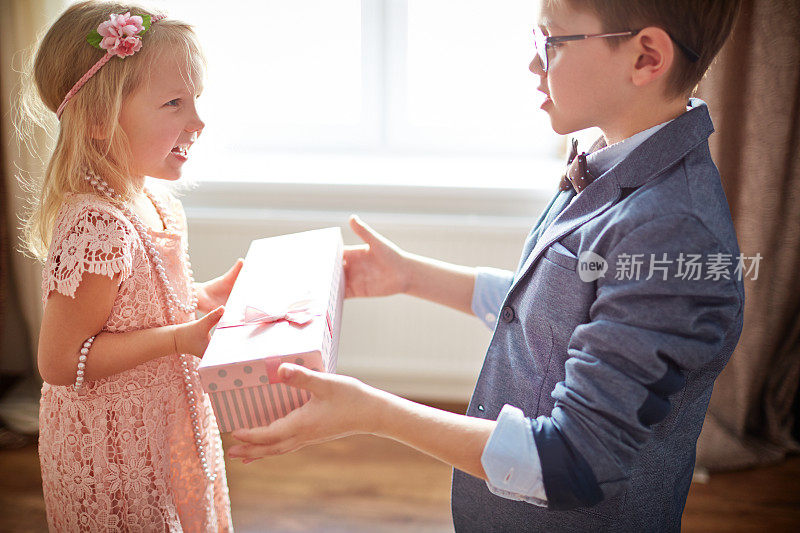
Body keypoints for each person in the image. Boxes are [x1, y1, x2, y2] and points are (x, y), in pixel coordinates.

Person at [228, 0, 744, 530]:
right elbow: (557, 310)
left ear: (646, 57)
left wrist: (373, 413)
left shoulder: (673, 236)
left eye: (553, 40)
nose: (532, 63)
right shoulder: (611, 156)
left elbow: (573, 461)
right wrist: (410, 276)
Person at [20, 2, 239, 530]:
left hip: (168, 420)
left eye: (196, 101)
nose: (199, 121)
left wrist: (206, 301)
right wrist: (180, 338)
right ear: (98, 119)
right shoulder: (97, 227)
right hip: (113, 446)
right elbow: (58, 363)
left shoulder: (158, 203)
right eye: (173, 103)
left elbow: (146, 307)